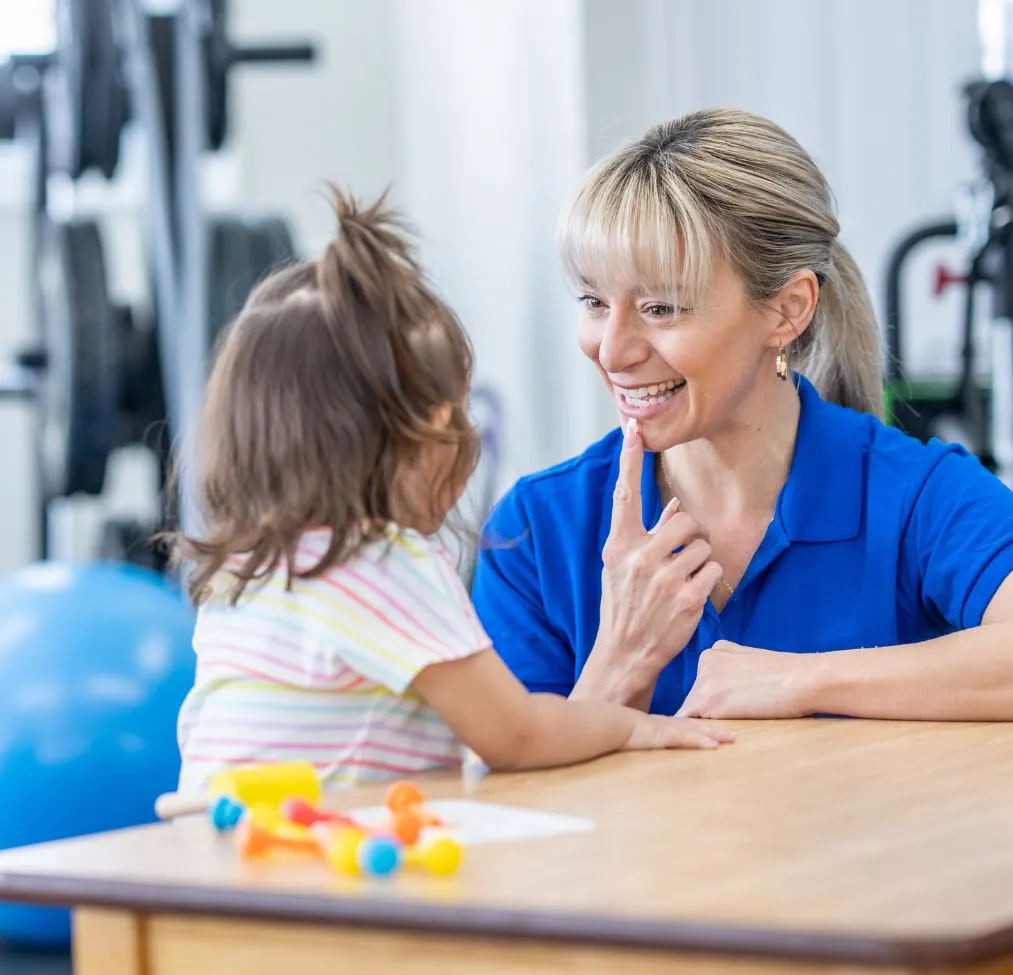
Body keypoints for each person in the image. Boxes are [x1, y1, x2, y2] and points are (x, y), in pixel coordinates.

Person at [169, 188, 733, 795]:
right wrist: (628, 729)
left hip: (220, 854)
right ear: (436, 431)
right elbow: (514, 736)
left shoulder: (244, 568)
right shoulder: (384, 565)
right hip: (325, 868)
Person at [471, 108, 1013, 722]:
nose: (613, 349)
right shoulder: (536, 530)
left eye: (661, 308)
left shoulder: (915, 496)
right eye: (594, 301)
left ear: (786, 312)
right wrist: (621, 662)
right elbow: (510, 810)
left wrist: (801, 681)